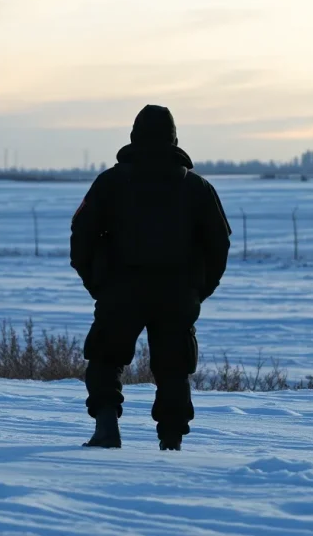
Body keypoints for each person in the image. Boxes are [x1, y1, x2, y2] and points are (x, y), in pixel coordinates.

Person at [70, 104, 231, 451]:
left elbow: (80, 236)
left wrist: (98, 284)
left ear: (134, 137)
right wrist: (197, 290)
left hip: (121, 290)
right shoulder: (198, 188)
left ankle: (106, 427)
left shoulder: (110, 183)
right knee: (173, 367)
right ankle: (171, 441)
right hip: (175, 292)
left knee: (106, 358)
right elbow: (219, 246)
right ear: (174, 140)